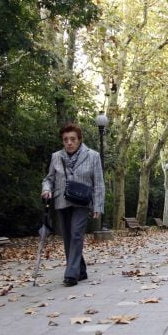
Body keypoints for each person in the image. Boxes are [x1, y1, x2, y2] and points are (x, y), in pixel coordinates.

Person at [41, 123, 105, 287]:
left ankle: (71, 274)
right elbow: (49, 178)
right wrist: (46, 189)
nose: (69, 142)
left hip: (82, 202)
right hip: (62, 200)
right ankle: (80, 270)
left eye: (72, 139)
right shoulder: (56, 156)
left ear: (79, 140)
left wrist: (98, 206)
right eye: (65, 140)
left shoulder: (93, 156)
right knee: (69, 237)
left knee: (76, 234)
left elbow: (98, 183)